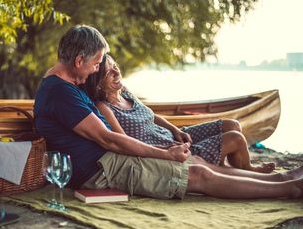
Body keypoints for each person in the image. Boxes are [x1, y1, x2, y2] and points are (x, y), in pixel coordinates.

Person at [34, 24, 303, 200]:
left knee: (196, 164)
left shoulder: (69, 85)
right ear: (79, 60)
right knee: (199, 174)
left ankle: (283, 178)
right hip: (102, 169)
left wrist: (170, 143)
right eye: (95, 64)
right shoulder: (60, 91)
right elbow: (108, 138)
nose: (96, 70)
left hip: (109, 159)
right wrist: (166, 153)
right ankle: (290, 189)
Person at [84, 54, 275, 173]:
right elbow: (123, 141)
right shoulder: (104, 107)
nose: (116, 73)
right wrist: (166, 151)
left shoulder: (124, 91)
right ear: (98, 82)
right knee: (235, 138)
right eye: (108, 72)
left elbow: (150, 115)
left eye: (115, 66)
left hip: (170, 135)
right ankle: (242, 169)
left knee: (232, 125)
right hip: (165, 148)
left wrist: (176, 130)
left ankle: (230, 166)